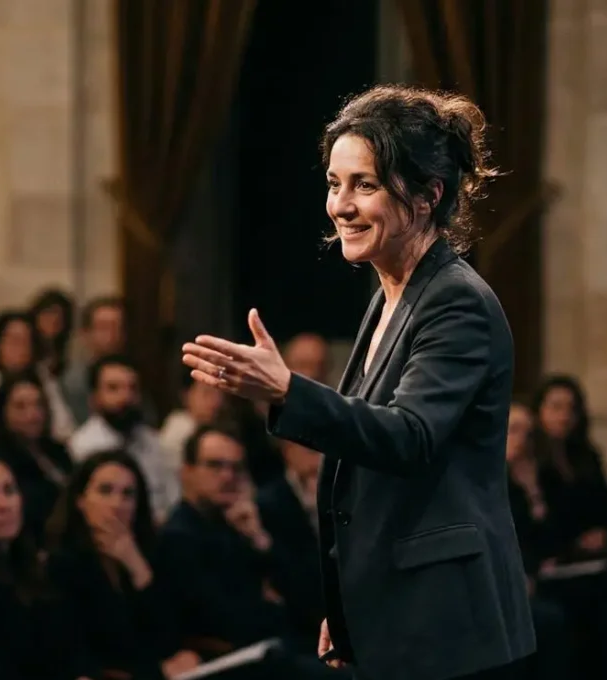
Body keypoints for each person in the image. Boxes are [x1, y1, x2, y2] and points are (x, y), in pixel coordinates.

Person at [181, 84, 535, 680]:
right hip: (398, 612)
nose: (339, 205)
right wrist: (351, 610)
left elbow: (409, 438)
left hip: (446, 627)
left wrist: (287, 391)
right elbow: (364, 472)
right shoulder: (390, 293)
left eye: (364, 185)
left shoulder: (455, 302)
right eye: (333, 183)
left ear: (427, 196)